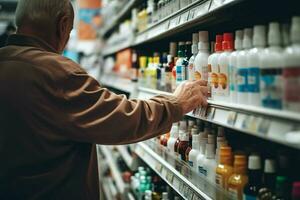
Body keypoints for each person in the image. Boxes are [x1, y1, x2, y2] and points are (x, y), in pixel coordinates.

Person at [0, 0, 208, 200]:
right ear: (62, 25)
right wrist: (176, 104)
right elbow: (122, 118)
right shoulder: (56, 73)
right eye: (71, 30)